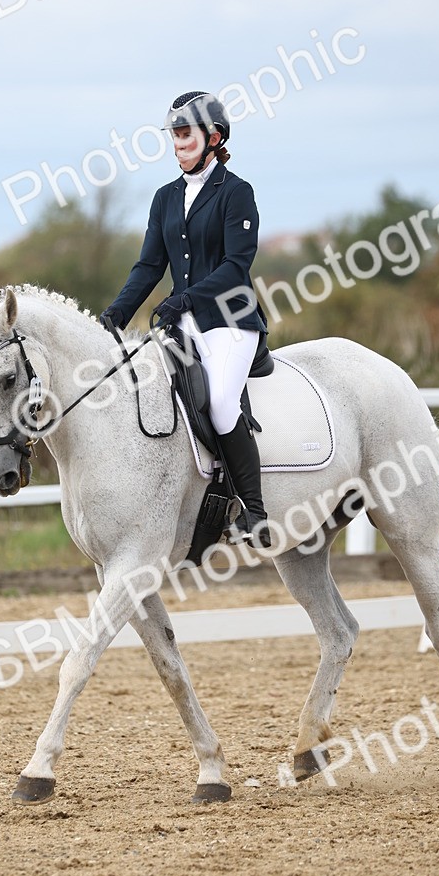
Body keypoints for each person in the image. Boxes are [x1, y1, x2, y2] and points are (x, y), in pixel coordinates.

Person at [101, 91, 271, 547]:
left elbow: (236, 266)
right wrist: (118, 311)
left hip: (230, 323)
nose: (177, 143)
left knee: (219, 404)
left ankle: (255, 512)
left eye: (185, 134)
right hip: (182, 327)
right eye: (173, 135)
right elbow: (149, 266)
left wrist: (186, 297)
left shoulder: (236, 193)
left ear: (214, 137)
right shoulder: (165, 198)